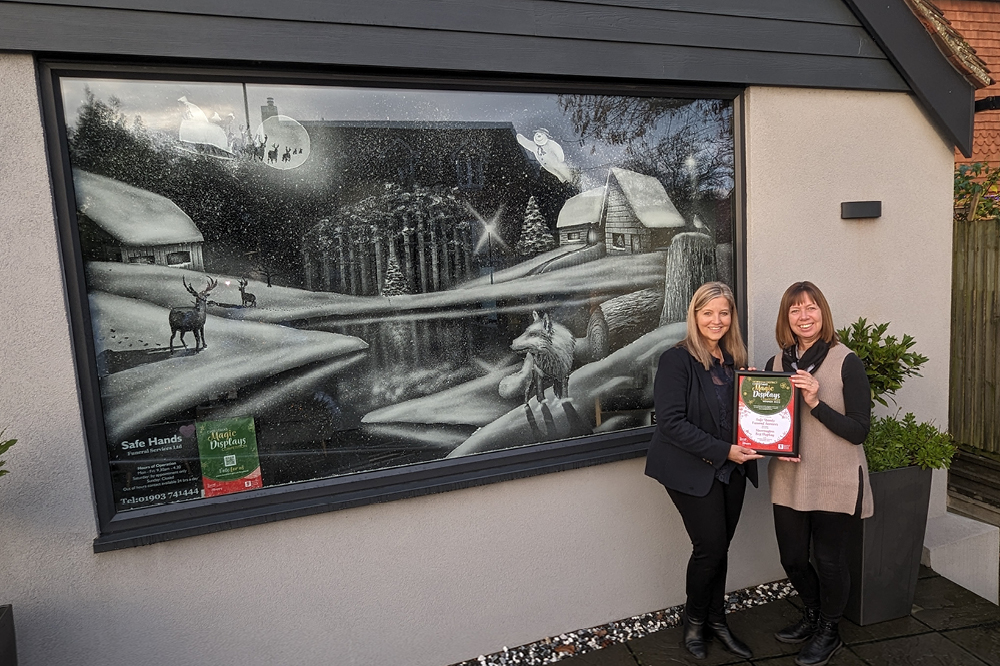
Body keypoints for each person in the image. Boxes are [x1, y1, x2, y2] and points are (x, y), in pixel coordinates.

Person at [646, 281, 762, 660]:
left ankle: (717, 620)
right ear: (694, 316)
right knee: (709, 547)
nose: (717, 320)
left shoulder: (735, 361)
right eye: (708, 312)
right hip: (691, 469)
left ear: (732, 318)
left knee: (720, 547)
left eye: (724, 313)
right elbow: (671, 423)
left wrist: (762, 395)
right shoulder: (676, 360)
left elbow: (742, 417)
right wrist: (725, 450)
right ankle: (694, 623)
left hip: (732, 469)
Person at [764, 282, 872, 666]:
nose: (804, 316)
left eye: (811, 308)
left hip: (836, 474)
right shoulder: (776, 365)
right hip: (790, 476)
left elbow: (859, 430)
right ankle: (812, 612)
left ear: (822, 313)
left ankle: (829, 629)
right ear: (787, 318)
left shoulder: (846, 360)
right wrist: (770, 444)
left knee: (829, 561)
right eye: (795, 310)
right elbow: (768, 421)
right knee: (792, 558)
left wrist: (815, 402)